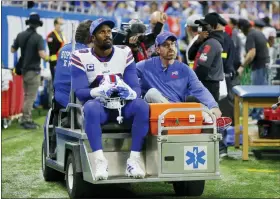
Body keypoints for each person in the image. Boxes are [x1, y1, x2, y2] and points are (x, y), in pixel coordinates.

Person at [70, 18, 149, 180]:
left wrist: (128, 92)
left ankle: (133, 161)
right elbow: (80, 92)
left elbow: (135, 87)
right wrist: (99, 91)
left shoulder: (124, 52)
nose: (107, 35)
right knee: (91, 107)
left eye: (109, 31)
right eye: (102, 32)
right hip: (100, 108)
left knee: (141, 105)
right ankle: (100, 161)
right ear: (92, 38)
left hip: (122, 107)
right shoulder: (80, 56)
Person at [136, 31, 232, 135]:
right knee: (152, 93)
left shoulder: (184, 70)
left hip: (176, 110)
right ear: (158, 49)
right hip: (154, 111)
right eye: (165, 45)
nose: (170, 47)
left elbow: (200, 89)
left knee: (200, 106)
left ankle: (212, 121)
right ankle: (203, 120)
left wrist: (213, 106)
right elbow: (127, 73)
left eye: (172, 44)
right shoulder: (145, 66)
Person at [49, 20, 94, 159]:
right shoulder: (87, 54)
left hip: (59, 102)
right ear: (92, 37)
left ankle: (53, 147)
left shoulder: (64, 50)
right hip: (77, 106)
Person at [11, 12, 49, 129]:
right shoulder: (38, 38)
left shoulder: (20, 35)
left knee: (27, 96)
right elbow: (42, 54)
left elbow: (13, 50)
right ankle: (26, 119)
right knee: (30, 97)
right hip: (34, 71)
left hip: (24, 71)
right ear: (38, 25)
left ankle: (26, 118)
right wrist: (50, 59)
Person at [237, 18, 270, 120]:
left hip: (259, 66)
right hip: (264, 65)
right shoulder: (258, 32)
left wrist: (242, 66)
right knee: (261, 90)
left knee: (258, 91)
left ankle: (257, 115)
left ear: (243, 28)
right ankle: (257, 112)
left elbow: (252, 53)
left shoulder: (251, 35)